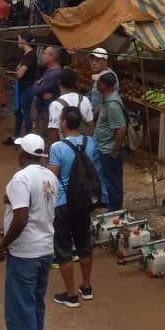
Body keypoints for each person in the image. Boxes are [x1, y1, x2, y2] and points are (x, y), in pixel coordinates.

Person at [0, 134, 57, 330]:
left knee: (20, 312)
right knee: (35, 307)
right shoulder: (50, 176)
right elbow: (35, 208)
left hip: (25, 254)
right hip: (45, 250)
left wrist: (3, 245)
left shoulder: (21, 178)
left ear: (23, 154)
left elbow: (21, 218)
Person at [48, 106, 99, 307]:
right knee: (84, 243)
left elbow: (52, 177)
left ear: (64, 123)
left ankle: (71, 294)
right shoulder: (90, 142)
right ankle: (86, 287)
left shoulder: (57, 148)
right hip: (85, 201)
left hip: (63, 202)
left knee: (63, 248)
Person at [93, 71, 127, 211]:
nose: (96, 85)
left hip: (110, 149)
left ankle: (115, 210)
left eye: (98, 82)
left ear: (104, 85)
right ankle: (113, 207)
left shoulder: (113, 104)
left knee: (113, 182)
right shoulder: (107, 98)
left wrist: (115, 149)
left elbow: (121, 128)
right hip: (105, 147)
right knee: (109, 180)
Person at [46, 67, 92, 143]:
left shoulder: (56, 105)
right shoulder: (84, 100)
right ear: (75, 83)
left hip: (64, 147)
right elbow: (91, 127)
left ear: (59, 82)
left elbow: (53, 132)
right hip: (83, 147)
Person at [12, 32, 39, 141]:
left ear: (24, 40)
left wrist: (17, 70)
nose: (18, 41)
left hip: (26, 88)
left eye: (19, 39)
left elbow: (19, 73)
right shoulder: (26, 55)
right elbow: (17, 69)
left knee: (25, 112)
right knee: (18, 112)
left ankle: (29, 138)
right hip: (22, 87)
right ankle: (16, 136)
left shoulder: (30, 55)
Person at [34, 45, 64, 138]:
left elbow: (37, 89)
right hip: (44, 109)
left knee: (44, 138)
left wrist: (37, 85)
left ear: (52, 57)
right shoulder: (50, 70)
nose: (43, 55)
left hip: (47, 111)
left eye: (45, 53)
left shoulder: (54, 73)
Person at [87, 47, 117, 122]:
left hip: (102, 117)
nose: (93, 63)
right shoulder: (98, 75)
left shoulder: (109, 77)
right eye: (92, 60)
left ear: (105, 61)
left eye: (97, 60)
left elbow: (107, 100)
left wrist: (93, 116)